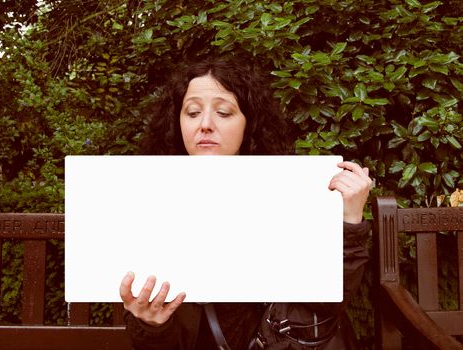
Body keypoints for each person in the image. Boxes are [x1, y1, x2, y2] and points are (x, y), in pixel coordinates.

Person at [119, 56, 371, 350]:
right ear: (177, 122)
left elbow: (328, 302)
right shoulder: (147, 202)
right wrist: (151, 324)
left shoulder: (291, 195)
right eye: (192, 112)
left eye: (224, 112)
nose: (205, 125)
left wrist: (349, 219)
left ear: (248, 123)